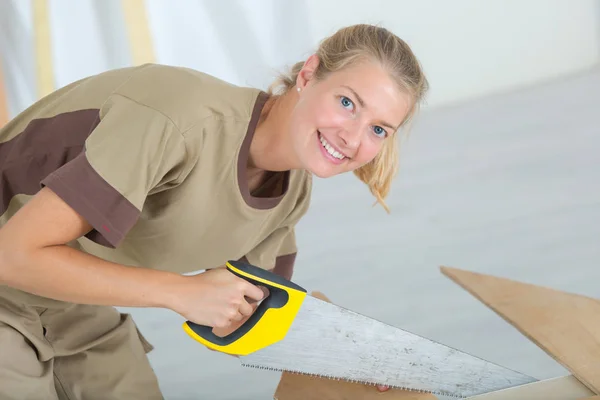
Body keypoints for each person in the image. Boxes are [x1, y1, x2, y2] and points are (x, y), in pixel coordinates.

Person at [0, 23, 428, 399]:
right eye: (348, 103)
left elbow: (234, 323)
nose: (353, 137)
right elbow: (13, 256)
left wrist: (346, 358)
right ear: (309, 73)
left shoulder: (291, 193)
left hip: (75, 303)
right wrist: (179, 292)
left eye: (378, 129)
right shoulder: (181, 119)